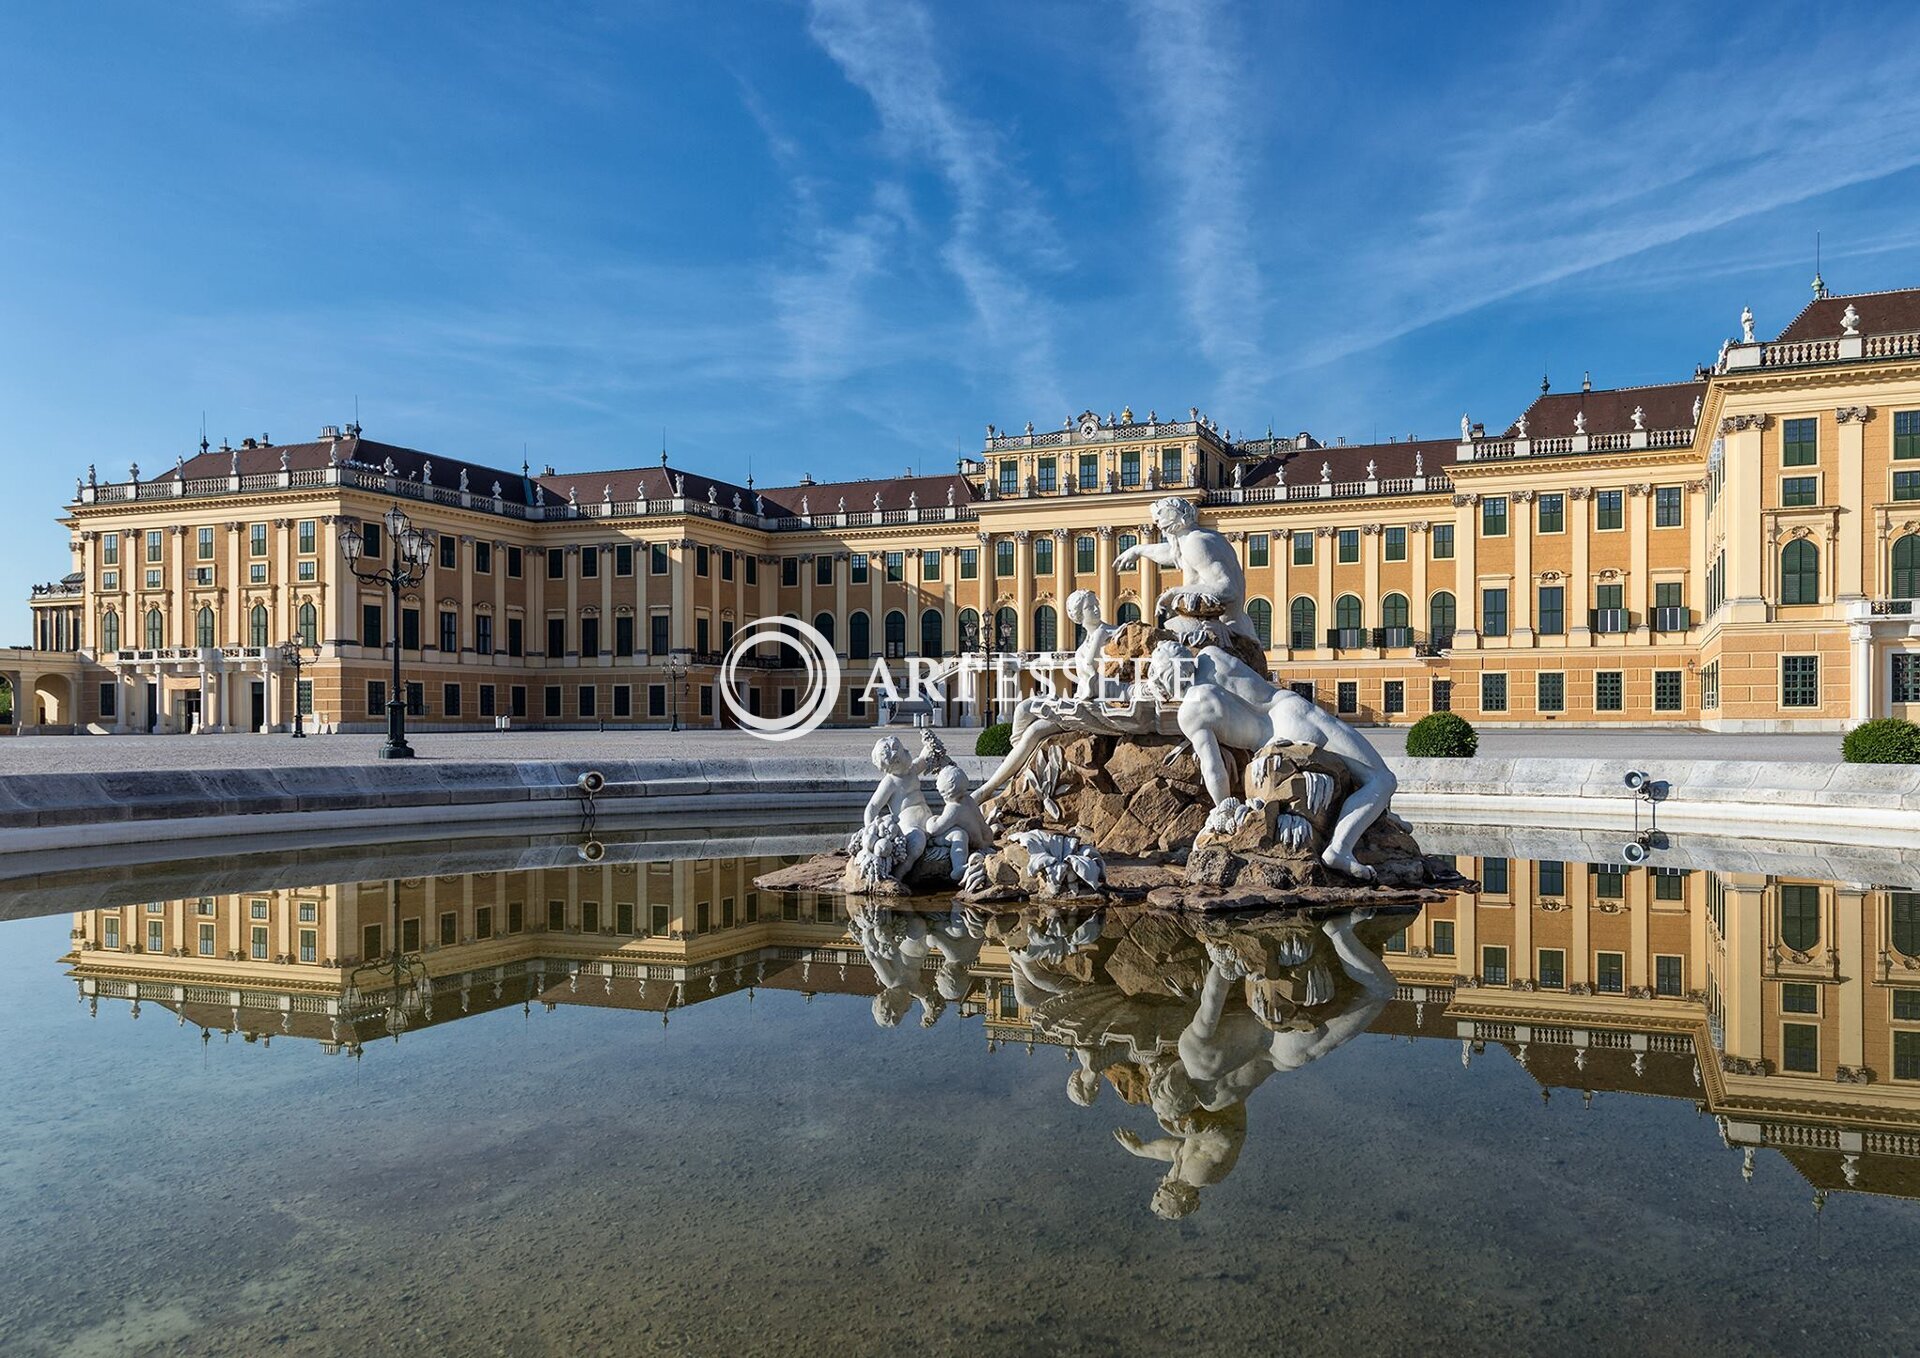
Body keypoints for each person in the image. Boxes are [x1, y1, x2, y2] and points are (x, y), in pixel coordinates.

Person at [1174, 647, 1396, 879]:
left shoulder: (1189, 712)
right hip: (1291, 711)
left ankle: (1353, 837)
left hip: (1271, 740)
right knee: (1381, 778)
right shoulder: (1211, 656)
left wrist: (1223, 809)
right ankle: (1342, 846)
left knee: (1378, 780)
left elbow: (1213, 769)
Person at [1113, 496, 1259, 646]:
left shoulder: (1196, 543)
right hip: (1227, 624)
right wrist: (1138, 550)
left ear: (1174, 517)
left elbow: (1228, 589)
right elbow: (1171, 553)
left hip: (1219, 630)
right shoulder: (1198, 538)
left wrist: (1175, 592)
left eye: (1159, 517)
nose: (1156, 523)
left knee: (1157, 640)